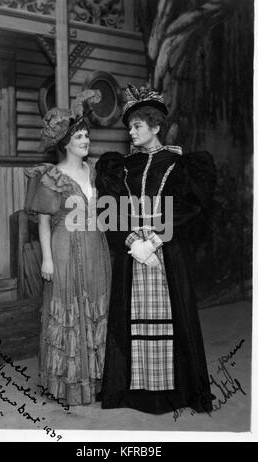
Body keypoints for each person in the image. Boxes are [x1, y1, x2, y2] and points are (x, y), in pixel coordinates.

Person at [95, 83, 217, 415]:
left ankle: (173, 392)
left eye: (137, 125)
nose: (131, 132)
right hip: (133, 252)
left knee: (171, 316)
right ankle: (135, 389)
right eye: (130, 126)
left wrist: (156, 239)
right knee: (132, 316)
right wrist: (133, 242)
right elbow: (111, 208)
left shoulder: (180, 163)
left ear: (156, 126)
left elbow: (190, 206)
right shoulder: (120, 166)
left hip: (166, 248)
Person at [24, 90, 111, 407]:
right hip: (63, 246)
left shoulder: (95, 170)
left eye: (87, 135)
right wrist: (46, 259)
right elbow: (44, 222)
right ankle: (69, 384)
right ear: (65, 143)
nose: (85, 140)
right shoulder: (52, 176)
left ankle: (99, 379)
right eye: (79, 136)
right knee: (68, 307)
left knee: (95, 305)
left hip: (94, 245)